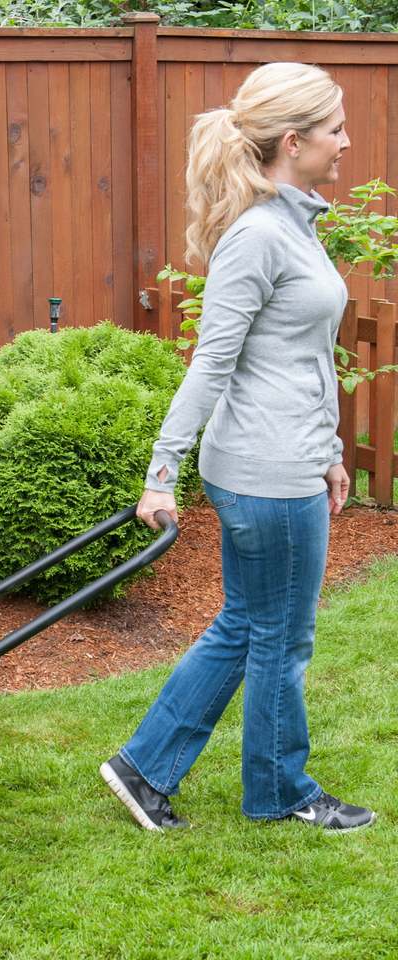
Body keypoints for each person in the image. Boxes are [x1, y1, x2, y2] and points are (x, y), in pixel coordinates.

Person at [99, 61, 376, 833]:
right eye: (335, 129)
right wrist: (161, 473)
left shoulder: (292, 224)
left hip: (286, 458)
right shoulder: (258, 236)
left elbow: (301, 359)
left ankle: (143, 768)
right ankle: (280, 791)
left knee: (249, 623)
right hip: (265, 473)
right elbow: (211, 364)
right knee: (281, 639)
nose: (345, 142)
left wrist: (329, 449)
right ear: (293, 142)